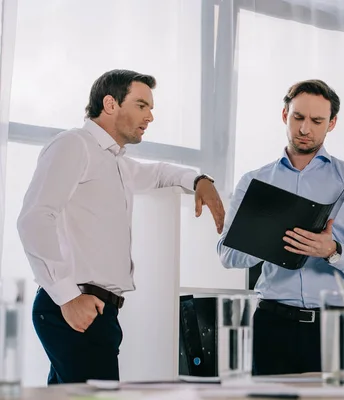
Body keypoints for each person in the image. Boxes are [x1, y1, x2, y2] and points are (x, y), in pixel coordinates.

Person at [17, 69, 225, 384]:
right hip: (74, 305)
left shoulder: (117, 163)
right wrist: (67, 298)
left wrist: (199, 180)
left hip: (99, 311)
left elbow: (158, 173)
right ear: (111, 104)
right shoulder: (75, 144)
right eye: (142, 105)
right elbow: (34, 218)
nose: (151, 116)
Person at [216, 79, 344, 375]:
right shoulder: (255, 181)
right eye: (298, 117)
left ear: (332, 123)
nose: (306, 129)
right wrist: (267, 240)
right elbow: (227, 254)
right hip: (272, 326)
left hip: (336, 329)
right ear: (284, 115)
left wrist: (332, 251)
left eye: (317, 121)